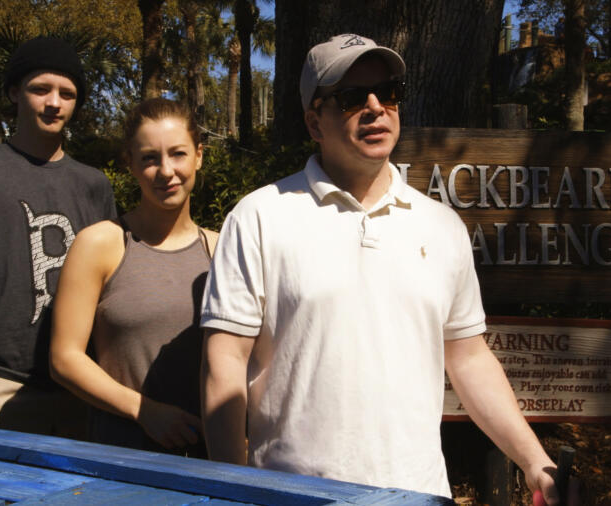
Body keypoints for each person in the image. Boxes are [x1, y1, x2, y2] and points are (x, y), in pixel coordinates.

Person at [200, 33, 567, 503]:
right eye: (352, 97)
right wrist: (233, 490)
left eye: (388, 92)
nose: (375, 107)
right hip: (290, 495)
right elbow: (224, 363)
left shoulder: (442, 226)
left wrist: (535, 462)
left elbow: (470, 359)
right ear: (315, 122)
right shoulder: (258, 217)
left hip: (419, 494)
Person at [0, 36, 117, 437]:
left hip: (82, 389)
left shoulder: (94, 185)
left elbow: (112, 283)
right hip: (1, 384)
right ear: (15, 92)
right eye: (41, 89)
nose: (54, 102)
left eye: (67, 93)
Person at [50, 98, 217, 457]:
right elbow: (64, 358)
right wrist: (144, 411)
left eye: (178, 154)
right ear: (130, 163)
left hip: (211, 458)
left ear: (199, 156)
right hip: (122, 454)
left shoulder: (221, 249)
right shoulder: (99, 244)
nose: (166, 170)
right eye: (149, 158)